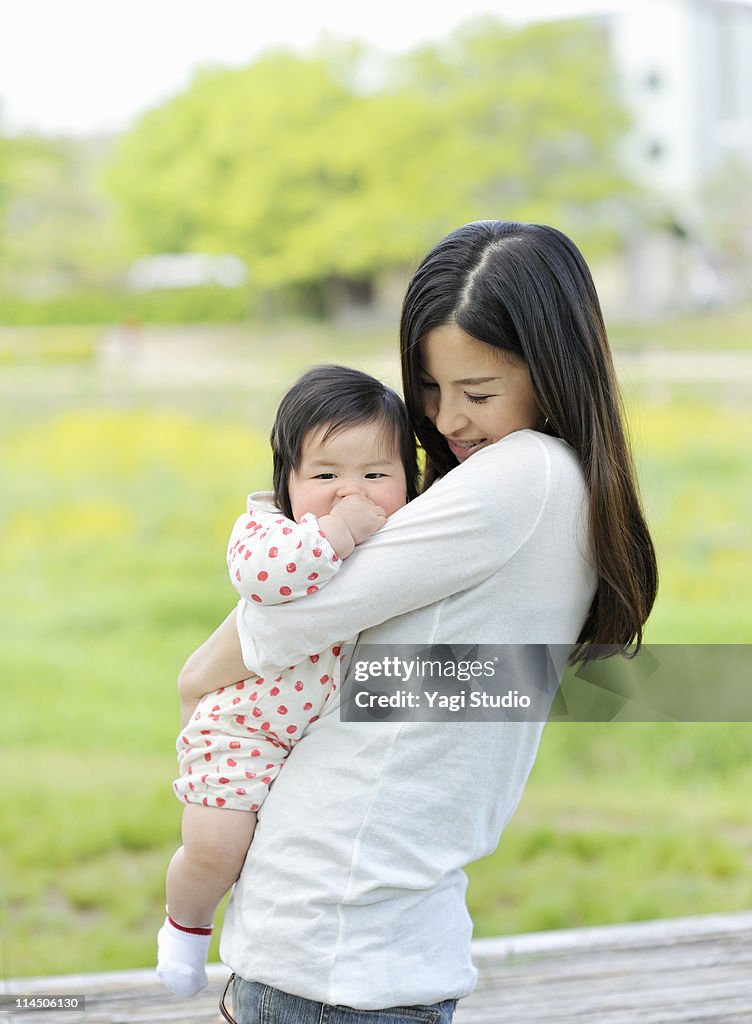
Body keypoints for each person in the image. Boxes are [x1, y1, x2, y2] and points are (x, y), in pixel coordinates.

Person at [178, 221, 658, 1024]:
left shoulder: (523, 476)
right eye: (431, 391)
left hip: (339, 938)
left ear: (555, 370)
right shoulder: (571, 486)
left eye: (478, 393)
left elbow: (293, 616)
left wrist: (196, 676)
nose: (448, 421)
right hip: (366, 934)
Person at [157, 365, 419, 997]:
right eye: (325, 476)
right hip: (243, 728)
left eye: (375, 475)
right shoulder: (268, 531)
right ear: (288, 481)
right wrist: (338, 532)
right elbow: (269, 583)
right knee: (218, 849)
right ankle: (185, 926)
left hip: (318, 733)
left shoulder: (411, 532)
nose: (349, 492)